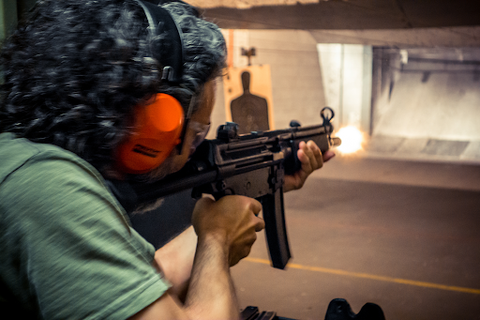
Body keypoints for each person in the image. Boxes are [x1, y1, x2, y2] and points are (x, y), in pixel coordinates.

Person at [0, 0, 335, 319]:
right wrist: (217, 239)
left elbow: (146, 283)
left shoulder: (33, 162)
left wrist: (248, 192)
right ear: (156, 124)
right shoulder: (50, 190)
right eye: (198, 134)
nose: (196, 148)